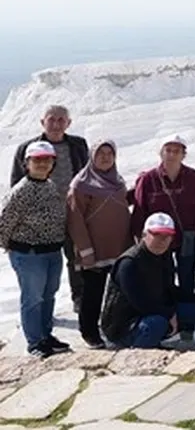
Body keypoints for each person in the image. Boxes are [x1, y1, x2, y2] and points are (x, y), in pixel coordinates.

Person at [10, 105, 90, 314]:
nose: (56, 124)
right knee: (42, 266)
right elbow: (16, 186)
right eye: (51, 119)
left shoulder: (78, 145)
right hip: (40, 220)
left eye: (61, 120)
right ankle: (40, 312)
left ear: (68, 123)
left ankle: (79, 299)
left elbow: (87, 176)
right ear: (42, 122)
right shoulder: (27, 148)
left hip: (73, 212)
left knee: (77, 258)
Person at [129, 134, 195, 334]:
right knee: (163, 279)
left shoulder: (192, 176)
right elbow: (140, 209)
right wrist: (140, 240)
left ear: (184, 154)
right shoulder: (148, 179)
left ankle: (188, 325)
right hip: (159, 238)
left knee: (187, 276)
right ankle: (168, 321)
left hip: (188, 235)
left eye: (177, 151)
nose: (172, 154)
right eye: (168, 150)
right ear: (161, 153)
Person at [0, 141, 71, 358]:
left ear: (53, 163)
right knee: (33, 298)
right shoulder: (21, 190)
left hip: (51, 252)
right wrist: (13, 250)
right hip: (29, 254)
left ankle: (45, 335)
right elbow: (4, 222)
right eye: (36, 160)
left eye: (46, 159)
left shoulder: (49, 185)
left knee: (49, 295)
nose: (41, 164)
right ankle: (35, 342)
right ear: (27, 163)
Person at [100, 213, 195, 349]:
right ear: (144, 235)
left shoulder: (164, 256)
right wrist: (169, 314)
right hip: (124, 324)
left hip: (154, 312)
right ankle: (140, 348)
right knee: (157, 322)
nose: (162, 241)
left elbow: (170, 289)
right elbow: (140, 303)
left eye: (167, 236)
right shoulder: (129, 263)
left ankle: (154, 339)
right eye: (156, 235)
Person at [66, 140, 133, 349]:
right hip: (94, 250)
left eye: (109, 153)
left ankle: (114, 328)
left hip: (118, 247)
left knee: (117, 292)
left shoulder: (117, 181)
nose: (105, 157)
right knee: (92, 293)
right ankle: (89, 332)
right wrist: (86, 251)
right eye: (100, 153)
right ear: (92, 157)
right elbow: (75, 220)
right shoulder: (81, 184)